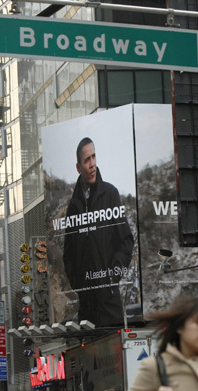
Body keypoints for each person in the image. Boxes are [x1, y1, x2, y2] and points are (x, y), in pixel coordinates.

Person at [62, 137, 134, 327]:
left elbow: (126, 241)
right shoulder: (73, 207)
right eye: (87, 160)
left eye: (94, 157)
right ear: (79, 167)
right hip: (86, 308)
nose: (92, 164)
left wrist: (112, 277)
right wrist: (79, 286)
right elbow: (68, 254)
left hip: (110, 303)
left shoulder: (110, 194)